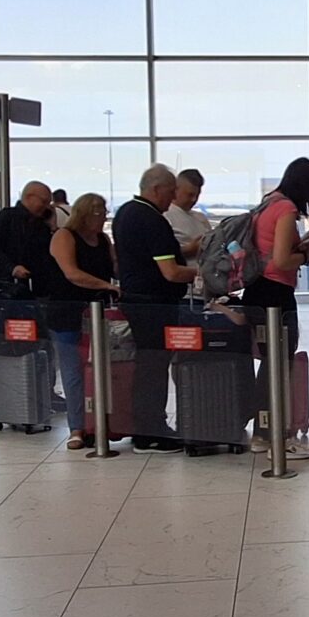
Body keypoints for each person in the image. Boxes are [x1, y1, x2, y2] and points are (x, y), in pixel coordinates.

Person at [115, 165, 201, 453]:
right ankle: (150, 431)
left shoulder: (125, 213)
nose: (173, 197)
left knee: (147, 366)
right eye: (171, 191)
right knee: (153, 368)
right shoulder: (151, 220)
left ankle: (146, 427)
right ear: (156, 189)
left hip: (136, 300)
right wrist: (202, 274)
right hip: (153, 305)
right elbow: (171, 272)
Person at [246, 158, 309, 459]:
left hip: (256, 291)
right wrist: (305, 255)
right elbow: (280, 260)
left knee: (269, 365)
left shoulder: (267, 203)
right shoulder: (287, 209)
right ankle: (274, 437)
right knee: (279, 365)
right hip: (275, 295)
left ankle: (262, 432)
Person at [46, 192, 120, 449]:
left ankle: (102, 423)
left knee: (102, 368)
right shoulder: (64, 236)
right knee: (73, 370)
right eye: (100, 213)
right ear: (87, 214)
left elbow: (115, 268)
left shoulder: (103, 240)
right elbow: (72, 273)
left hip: (98, 314)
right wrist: (106, 286)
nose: (104, 218)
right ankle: (77, 427)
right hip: (67, 313)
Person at [0, 181, 57, 298]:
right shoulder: (8, 216)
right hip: (10, 284)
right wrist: (11, 267)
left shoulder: (41, 224)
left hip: (37, 286)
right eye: (44, 202)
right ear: (29, 198)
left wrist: (52, 228)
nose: (46, 207)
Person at [166, 169, 213, 257]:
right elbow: (161, 254)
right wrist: (189, 249)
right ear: (176, 190)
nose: (194, 199)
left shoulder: (201, 218)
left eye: (197, 195)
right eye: (190, 195)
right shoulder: (164, 217)